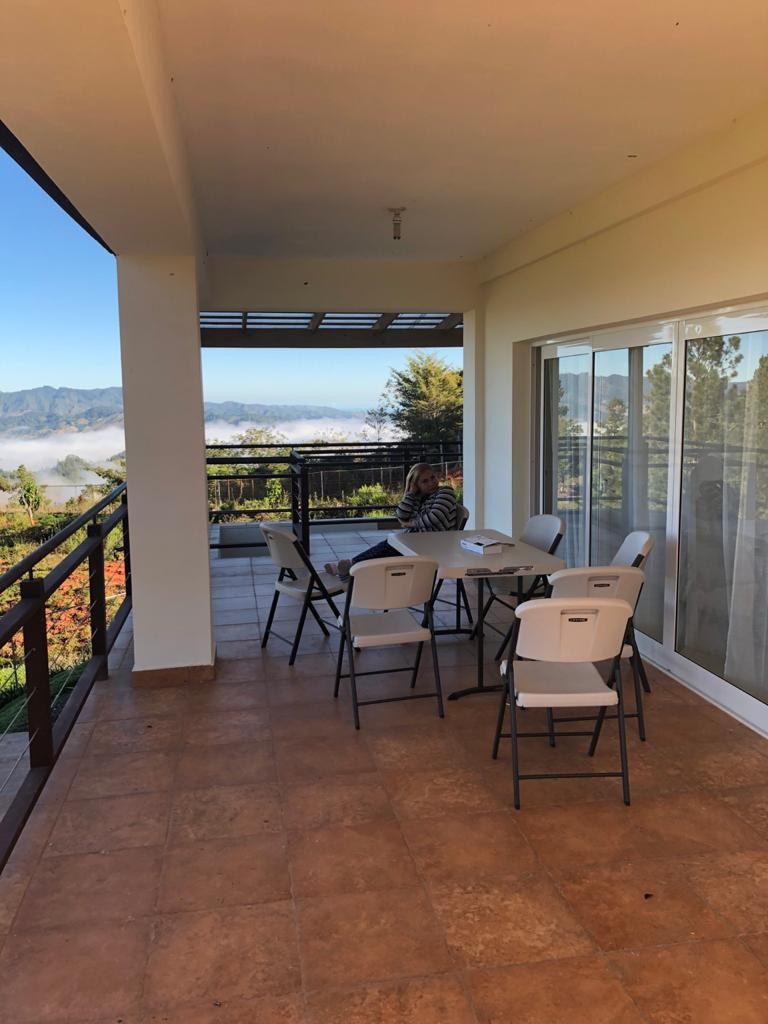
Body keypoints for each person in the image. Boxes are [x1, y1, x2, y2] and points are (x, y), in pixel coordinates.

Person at [325, 462, 459, 581]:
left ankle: (352, 568)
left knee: (391, 547)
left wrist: (410, 524)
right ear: (416, 485)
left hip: (436, 545)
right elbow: (401, 515)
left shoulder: (445, 492)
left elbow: (435, 516)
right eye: (424, 481)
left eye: (432, 478)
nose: (431, 483)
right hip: (418, 542)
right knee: (391, 545)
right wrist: (411, 494)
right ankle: (353, 567)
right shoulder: (418, 497)